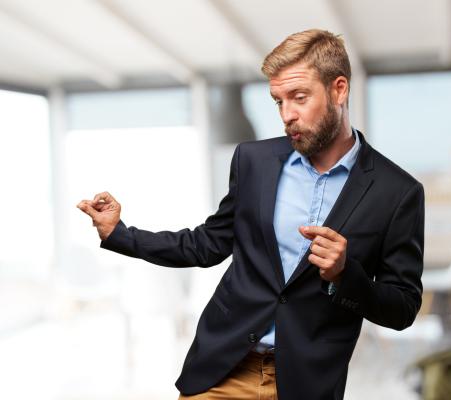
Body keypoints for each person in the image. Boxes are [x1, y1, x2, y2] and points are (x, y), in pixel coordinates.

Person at [77, 28, 425, 400]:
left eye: (299, 97)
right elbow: (206, 244)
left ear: (339, 89)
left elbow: (402, 308)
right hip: (223, 370)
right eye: (278, 101)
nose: (287, 115)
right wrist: (119, 233)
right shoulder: (253, 161)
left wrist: (345, 273)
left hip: (306, 385)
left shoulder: (397, 193)